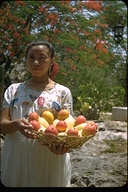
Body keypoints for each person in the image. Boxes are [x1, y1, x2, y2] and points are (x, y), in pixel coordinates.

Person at [0, 40, 74, 187]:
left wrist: (63, 147)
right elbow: (2, 125)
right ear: (26, 60)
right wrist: (16, 124)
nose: (35, 62)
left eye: (42, 57)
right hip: (17, 158)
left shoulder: (62, 92)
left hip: (50, 160)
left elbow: (67, 129)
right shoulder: (13, 90)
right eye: (31, 57)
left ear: (51, 61)